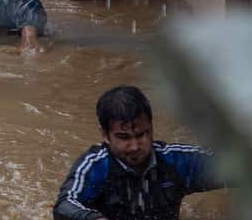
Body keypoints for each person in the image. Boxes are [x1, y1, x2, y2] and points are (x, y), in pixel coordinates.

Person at [54, 86, 222, 220]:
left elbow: (237, 169)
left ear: (151, 127)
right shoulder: (96, 167)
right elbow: (64, 206)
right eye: (123, 137)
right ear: (105, 135)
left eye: (141, 134)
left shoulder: (176, 162)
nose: (134, 146)